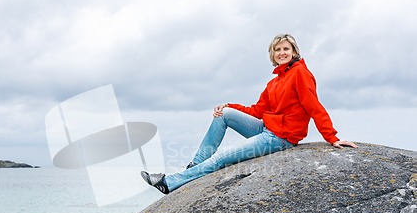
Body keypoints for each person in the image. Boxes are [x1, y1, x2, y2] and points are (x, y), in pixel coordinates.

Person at [141, 33, 357, 194]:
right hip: (266, 127)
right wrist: (230, 106)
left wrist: (332, 138)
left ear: (294, 52)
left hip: (280, 138)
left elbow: (314, 106)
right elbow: (257, 110)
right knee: (224, 114)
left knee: (222, 158)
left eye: (286, 49)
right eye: (278, 50)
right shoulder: (275, 81)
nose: (282, 53)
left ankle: (169, 183)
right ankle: (196, 165)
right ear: (272, 54)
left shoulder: (300, 74)